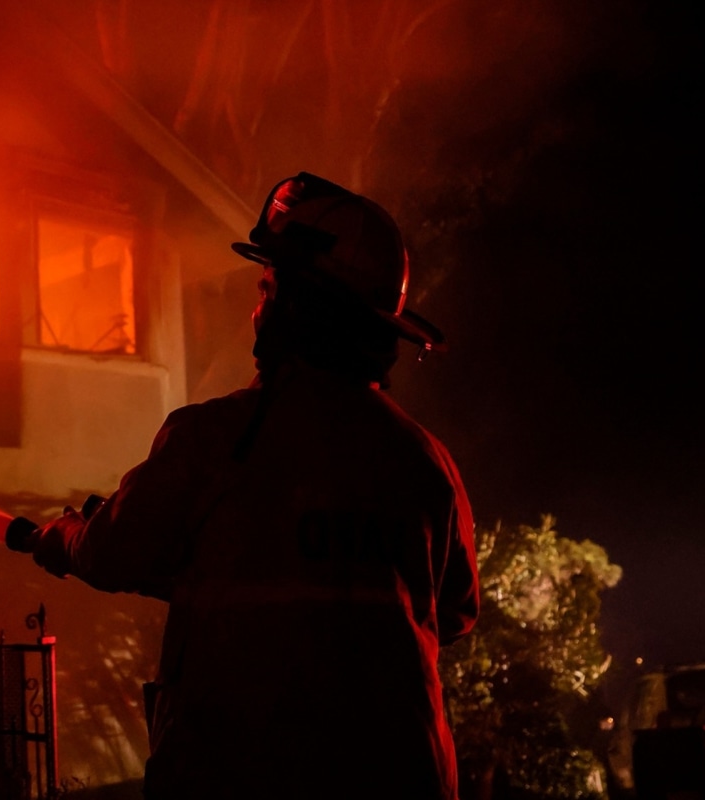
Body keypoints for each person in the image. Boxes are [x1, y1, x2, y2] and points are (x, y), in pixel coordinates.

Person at [27, 173, 480, 798]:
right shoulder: (425, 461)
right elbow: (452, 613)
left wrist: (62, 537)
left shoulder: (217, 438)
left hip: (247, 770)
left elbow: (112, 552)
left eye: (268, 287)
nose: (256, 306)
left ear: (298, 307)